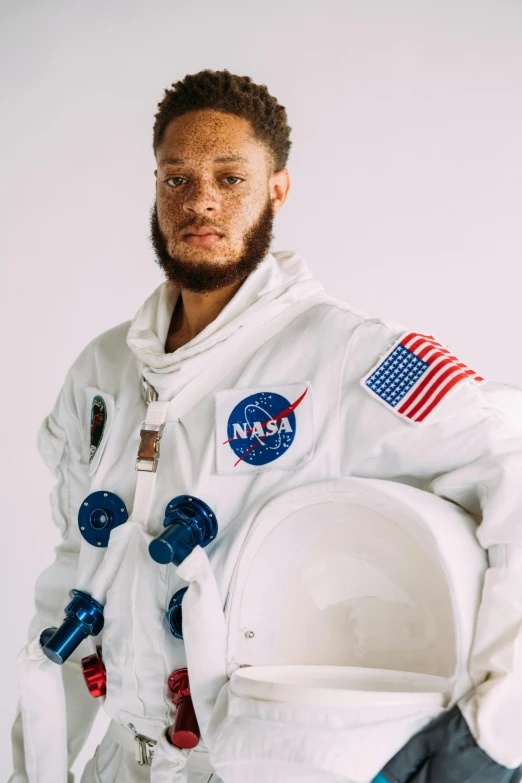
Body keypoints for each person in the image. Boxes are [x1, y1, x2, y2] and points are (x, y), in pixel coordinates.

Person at [9, 68, 522, 783]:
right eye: (177, 178)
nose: (201, 202)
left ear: (278, 188)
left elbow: (510, 455)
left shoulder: (344, 355)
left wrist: (495, 727)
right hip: (123, 762)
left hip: (253, 763)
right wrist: (36, 760)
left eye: (230, 177)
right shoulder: (102, 375)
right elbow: (72, 577)